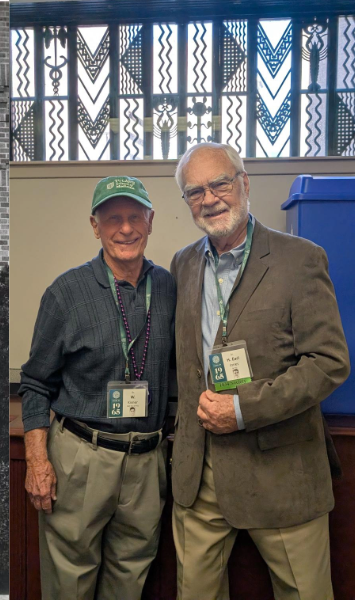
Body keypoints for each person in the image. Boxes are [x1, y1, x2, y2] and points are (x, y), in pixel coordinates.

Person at [170, 142, 350, 600]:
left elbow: (328, 363)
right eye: (195, 191)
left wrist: (243, 409)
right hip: (200, 476)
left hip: (280, 471)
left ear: (245, 184)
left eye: (220, 183)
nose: (209, 198)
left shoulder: (300, 259)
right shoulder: (183, 264)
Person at [20, 176, 176, 599]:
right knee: (69, 583)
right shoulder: (66, 293)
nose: (125, 229)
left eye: (134, 217)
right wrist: (37, 462)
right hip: (81, 460)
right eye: (112, 219)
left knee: (131, 581)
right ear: (95, 226)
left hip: (147, 463)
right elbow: (34, 383)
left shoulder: (169, 288)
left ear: (151, 220)